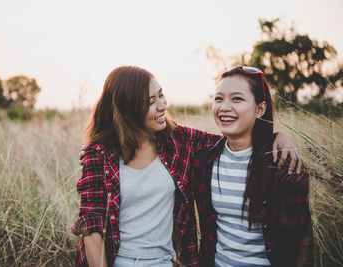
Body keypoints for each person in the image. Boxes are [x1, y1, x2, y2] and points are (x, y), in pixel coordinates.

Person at [71, 66, 302, 267]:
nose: (162, 106)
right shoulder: (99, 154)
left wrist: (277, 136)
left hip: (166, 262)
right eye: (151, 102)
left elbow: (231, 141)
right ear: (127, 110)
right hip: (117, 260)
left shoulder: (178, 141)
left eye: (161, 95)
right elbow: (92, 227)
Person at [194, 66, 313, 267]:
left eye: (237, 99)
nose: (224, 107)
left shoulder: (284, 166)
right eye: (219, 98)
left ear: (260, 109)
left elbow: (300, 246)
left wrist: (279, 135)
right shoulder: (205, 160)